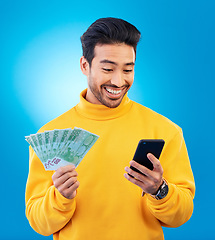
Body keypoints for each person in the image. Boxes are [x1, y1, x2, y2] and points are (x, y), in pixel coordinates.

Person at [25, 17, 195, 240]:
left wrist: (160, 190)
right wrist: (60, 197)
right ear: (85, 66)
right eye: (108, 68)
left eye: (128, 69)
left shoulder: (164, 130)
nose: (118, 81)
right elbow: (39, 224)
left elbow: (181, 216)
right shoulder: (50, 135)